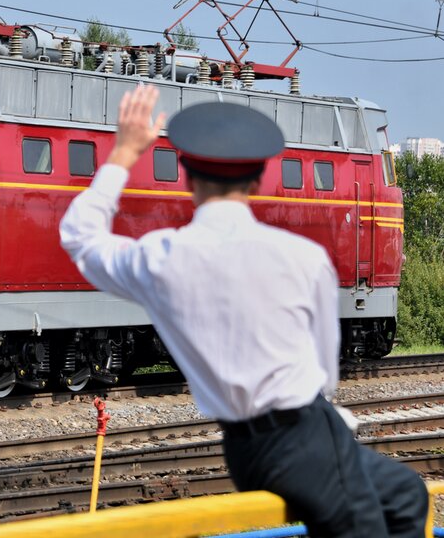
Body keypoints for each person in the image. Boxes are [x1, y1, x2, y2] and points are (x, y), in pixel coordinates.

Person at [59, 85, 428, 537]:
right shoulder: (303, 257)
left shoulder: (161, 258)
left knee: (407, 494)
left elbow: (80, 237)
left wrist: (124, 153)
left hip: (256, 445)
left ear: (187, 180)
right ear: (257, 182)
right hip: (299, 438)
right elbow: (324, 367)